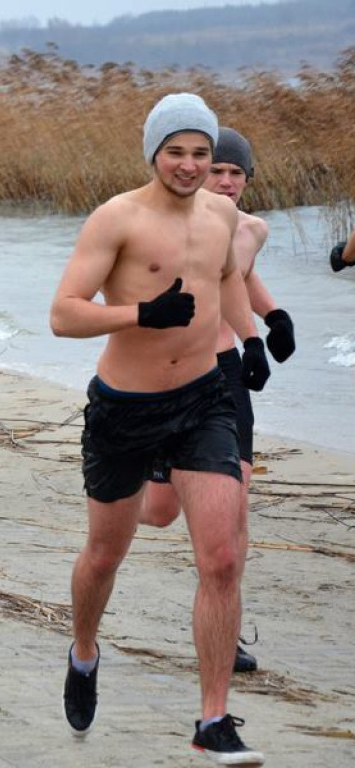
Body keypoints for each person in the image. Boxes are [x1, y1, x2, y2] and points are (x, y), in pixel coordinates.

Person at [50, 93, 268, 764]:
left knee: (224, 558)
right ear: (154, 153)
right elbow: (64, 313)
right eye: (176, 151)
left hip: (204, 401)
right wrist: (142, 314)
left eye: (201, 153)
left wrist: (254, 336)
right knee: (104, 557)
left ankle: (212, 720)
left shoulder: (223, 214)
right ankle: (85, 649)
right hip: (125, 408)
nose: (190, 164)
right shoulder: (118, 218)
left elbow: (225, 277)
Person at [139, 127, 296, 676]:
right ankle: (122, 486)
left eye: (237, 173)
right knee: (158, 514)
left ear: (249, 180)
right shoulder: (173, 224)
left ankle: (224, 632)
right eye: (217, 171)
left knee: (236, 504)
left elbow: (240, 276)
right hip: (169, 372)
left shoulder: (253, 228)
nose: (226, 182)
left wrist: (272, 321)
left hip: (225, 374)